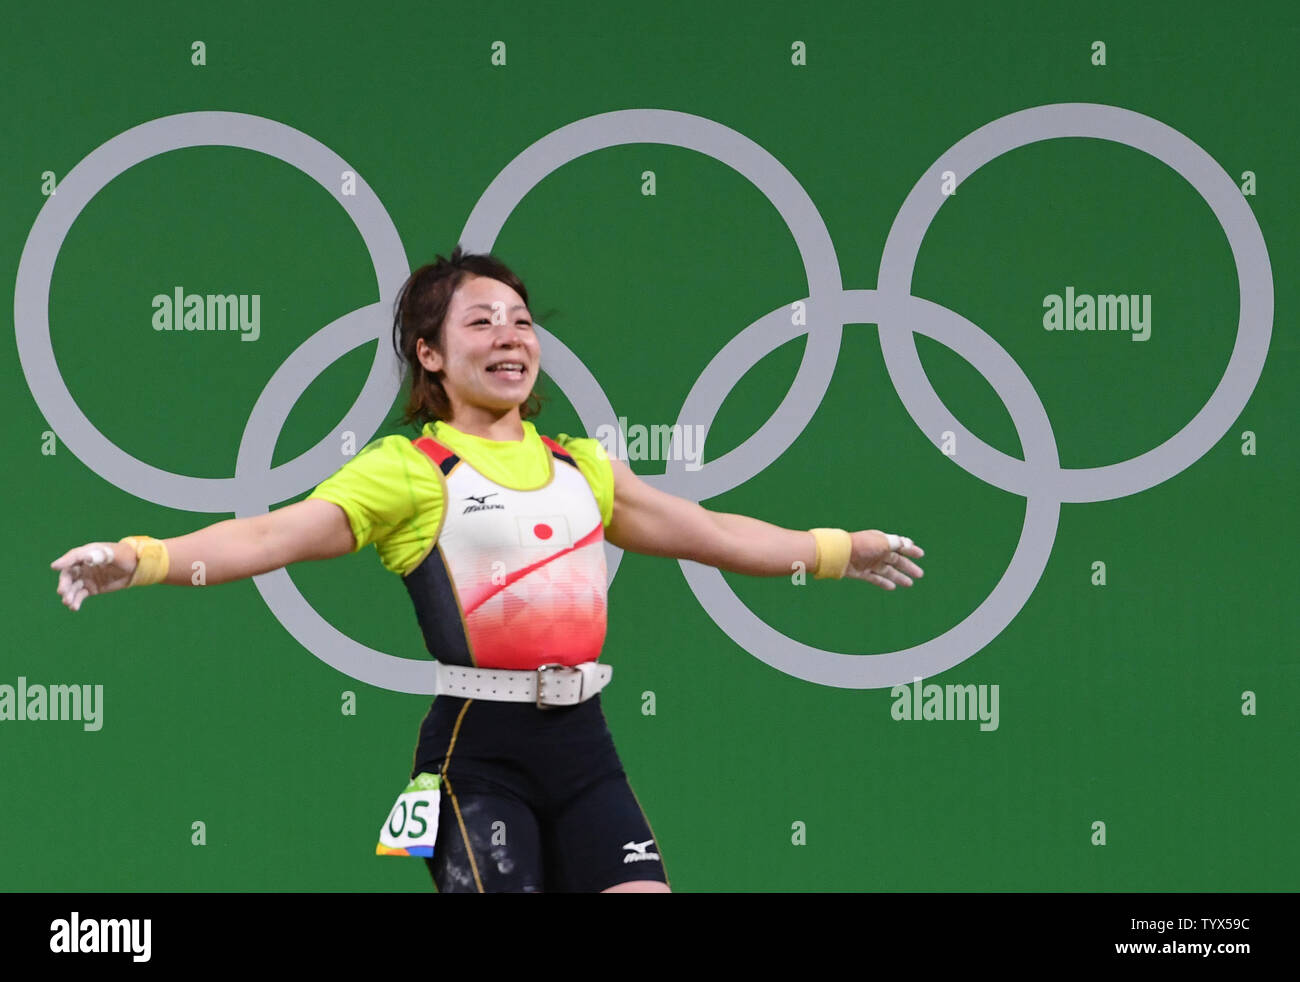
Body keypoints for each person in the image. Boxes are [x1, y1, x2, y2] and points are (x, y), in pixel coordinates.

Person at [50, 245, 926, 893]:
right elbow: (270, 538)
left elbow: (711, 533)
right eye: (481, 321)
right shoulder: (408, 469)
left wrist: (841, 548)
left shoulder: (582, 464)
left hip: (588, 749)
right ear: (430, 355)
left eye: (520, 321)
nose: (509, 336)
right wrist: (142, 557)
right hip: (476, 757)